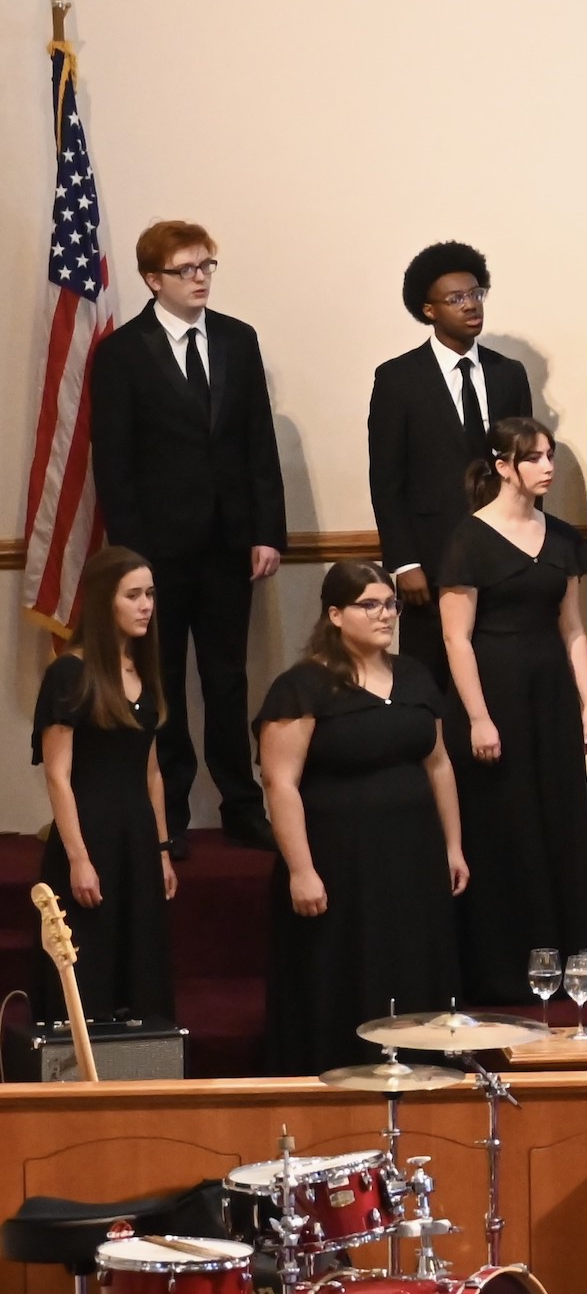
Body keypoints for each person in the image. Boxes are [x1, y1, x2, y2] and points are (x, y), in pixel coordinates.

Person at [88, 219, 286, 854]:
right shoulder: (121, 353)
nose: (200, 279)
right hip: (157, 552)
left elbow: (259, 442)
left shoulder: (237, 339)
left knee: (228, 679)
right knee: (163, 680)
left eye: (207, 267)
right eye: (186, 269)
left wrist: (266, 531)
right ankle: (166, 808)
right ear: (153, 279)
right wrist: (132, 559)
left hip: (231, 545)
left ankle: (240, 801)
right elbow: (113, 463)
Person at [256, 562, 468, 1075]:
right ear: (335, 614)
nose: (385, 614)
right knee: (346, 969)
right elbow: (279, 782)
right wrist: (301, 869)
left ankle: (420, 1070)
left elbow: (438, 763)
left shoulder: (415, 674)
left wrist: (453, 846)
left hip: (412, 855)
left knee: (414, 963)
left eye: (390, 603)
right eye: (368, 604)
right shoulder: (302, 686)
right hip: (340, 859)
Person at [435, 417, 587, 1005]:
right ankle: (511, 967)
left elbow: (574, 628)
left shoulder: (561, 537)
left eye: (550, 456)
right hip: (496, 693)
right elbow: (457, 639)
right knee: (507, 827)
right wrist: (479, 717)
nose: (548, 467)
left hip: (551, 694)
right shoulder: (468, 540)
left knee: (559, 821)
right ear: (504, 466)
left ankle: (571, 963)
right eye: (534, 458)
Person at [368, 241, 534, 687]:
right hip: (430, 554)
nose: (471, 306)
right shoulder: (397, 379)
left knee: (501, 674)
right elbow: (386, 479)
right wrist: (403, 563)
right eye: (456, 299)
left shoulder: (508, 373)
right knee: (432, 676)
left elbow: (526, 467)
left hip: (502, 550)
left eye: (476, 293)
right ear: (429, 310)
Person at [30, 547, 176, 1023]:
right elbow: (58, 774)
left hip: (136, 838)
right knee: (86, 970)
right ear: (101, 602)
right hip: (88, 835)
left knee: (142, 970)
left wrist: (161, 850)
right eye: (132, 595)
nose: (146, 605)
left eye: (150, 594)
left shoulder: (144, 669)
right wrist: (78, 858)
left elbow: (151, 771)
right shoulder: (70, 672)